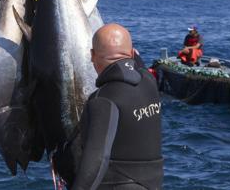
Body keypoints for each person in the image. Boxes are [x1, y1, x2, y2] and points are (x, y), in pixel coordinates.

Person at [55, 23, 163, 190]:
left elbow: (97, 159)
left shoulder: (103, 100)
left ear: (92, 55)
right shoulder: (149, 81)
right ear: (131, 53)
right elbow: (137, 62)